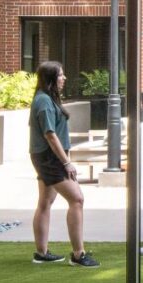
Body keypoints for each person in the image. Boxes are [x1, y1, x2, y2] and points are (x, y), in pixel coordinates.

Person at [27, 58, 98, 268]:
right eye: (60, 75)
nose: (64, 78)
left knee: (45, 201)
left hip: (47, 156)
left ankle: (41, 252)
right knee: (77, 199)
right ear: (51, 79)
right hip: (50, 158)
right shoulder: (44, 102)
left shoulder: (47, 98)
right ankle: (78, 254)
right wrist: (67, 163)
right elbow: (50, 135)